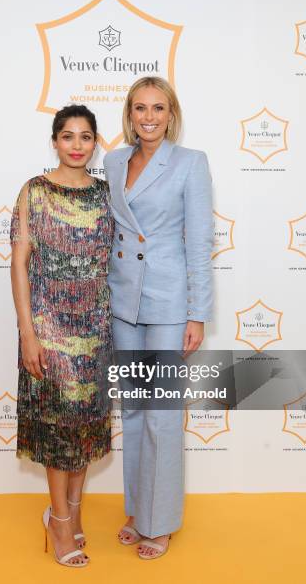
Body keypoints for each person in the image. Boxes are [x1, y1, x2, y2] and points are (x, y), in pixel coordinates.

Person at [103, 76, 213, 559]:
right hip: (122, 300)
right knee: (132, 410)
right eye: (141, 108)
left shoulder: (190, 163)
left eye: (159, 109)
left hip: (168, 302)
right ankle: (137, 509)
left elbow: (200, 243)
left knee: (162, 415)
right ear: (129, 114)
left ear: (171, 115)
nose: (149, 117)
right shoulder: (111, 161)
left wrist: (197, 312)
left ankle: (160, 520)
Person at [10, 104, 114, 568]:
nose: (76, 145)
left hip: (96, 325)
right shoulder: (33, 192)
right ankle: (59, 522)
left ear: (95, 143)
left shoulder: (108, 194)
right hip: (48, 325)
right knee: (58, 427)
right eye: (68, 136)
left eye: (85, 137)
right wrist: (27, 333)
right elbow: (19, 263)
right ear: (54, 140)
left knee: (86, 427)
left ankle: (71, 513)